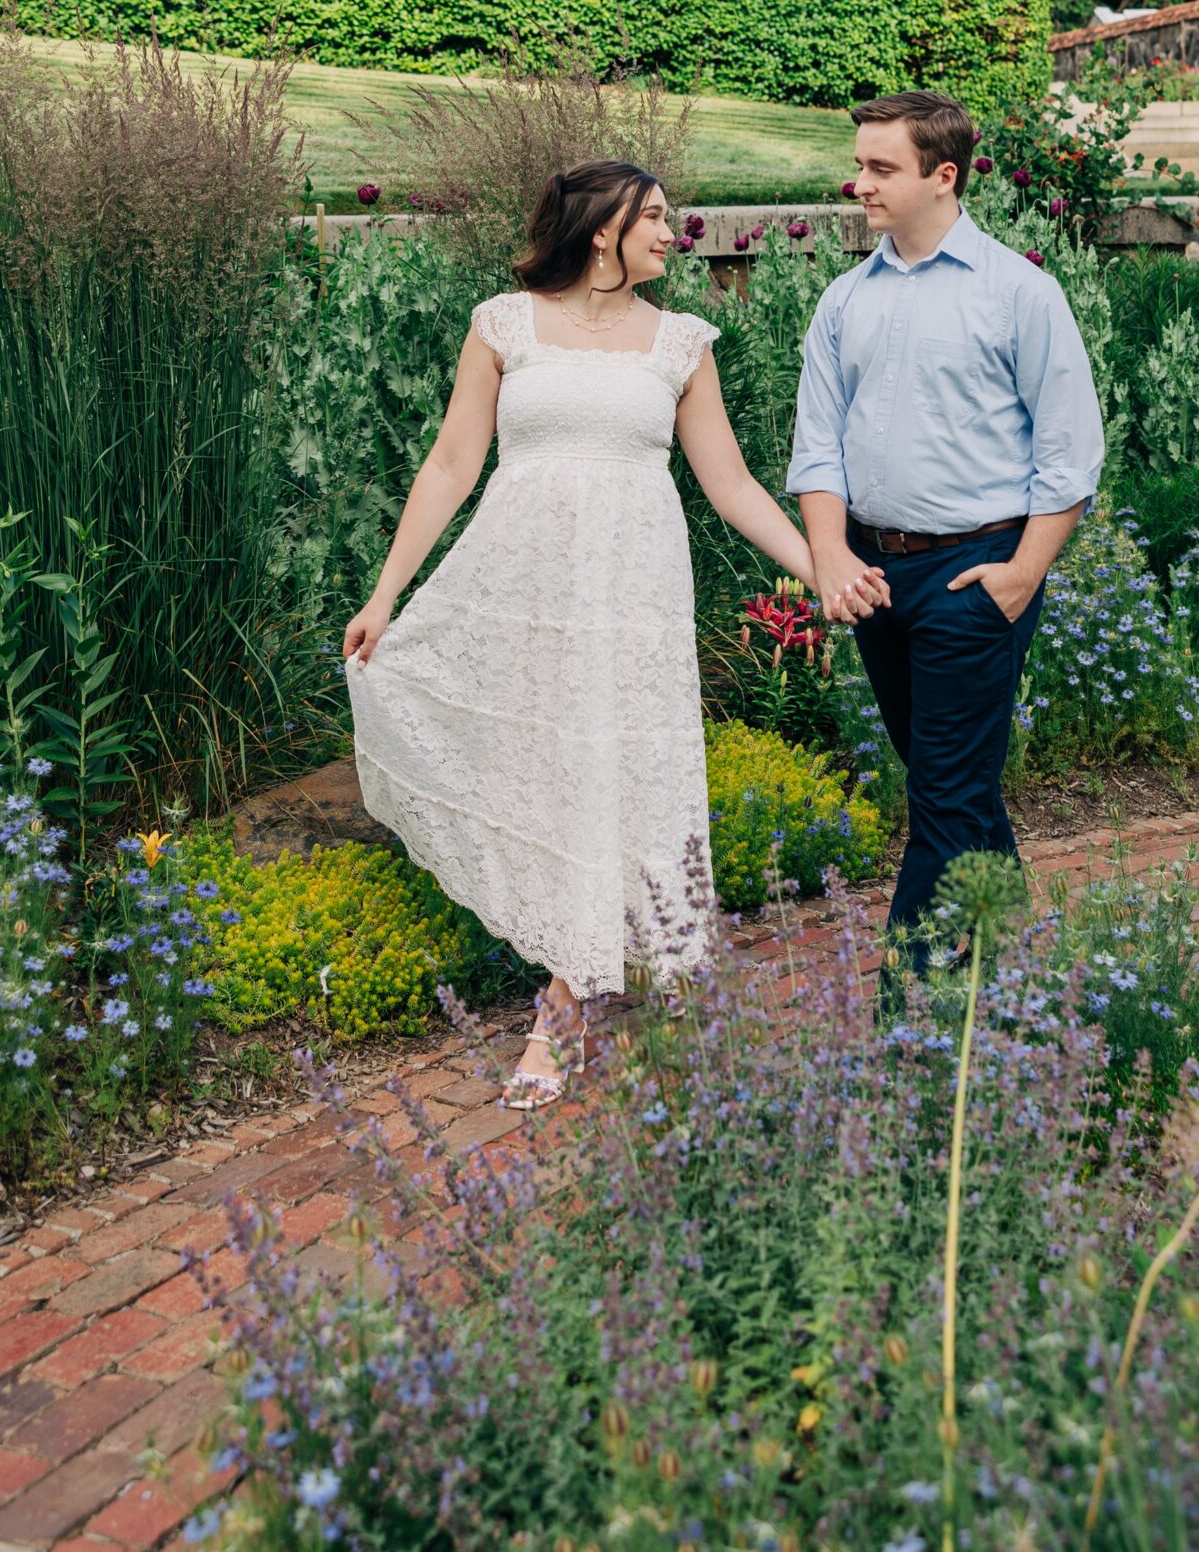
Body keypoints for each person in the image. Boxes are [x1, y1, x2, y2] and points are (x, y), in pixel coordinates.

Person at [343, 159, 886, 1108]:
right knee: (542, 767)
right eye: (657, 220)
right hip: (521, 586)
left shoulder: (679, 342)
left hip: (631, 591)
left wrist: (822, 569)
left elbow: (732, 486)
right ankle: (577, 955)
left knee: (614, 766)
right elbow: (449, 464)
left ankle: (560, 1009)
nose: (673, 234)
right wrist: (388, 593)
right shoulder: (502, 324)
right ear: (603, 230)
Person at [786, 90, 1104, 982]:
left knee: (945, 793)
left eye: (881, 168)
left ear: (943, 175)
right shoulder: (844, 300)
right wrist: (831, 555)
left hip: (977, 574)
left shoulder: (1018, 293)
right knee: (949, 783)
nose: (859, 183)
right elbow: (816, 449)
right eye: (859, 165)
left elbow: (1069, 455)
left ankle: (907, 1004)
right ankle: (1008, 948)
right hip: (873, 574)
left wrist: (1020, 576)